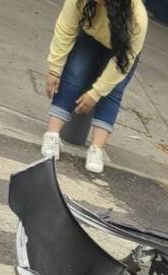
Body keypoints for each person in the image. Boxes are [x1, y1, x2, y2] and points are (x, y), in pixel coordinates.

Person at [41, 0, 149, 174]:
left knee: (113, 90)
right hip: (90, 36)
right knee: (74, 74)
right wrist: (54, 68)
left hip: (121, 51)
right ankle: (52, 135)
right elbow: (65, 28)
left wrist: (96, 93)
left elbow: (124, 61)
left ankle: (96, 149)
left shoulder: (137, 17)